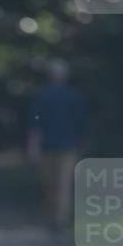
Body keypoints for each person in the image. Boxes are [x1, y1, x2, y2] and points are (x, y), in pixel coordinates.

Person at [27, 59, 88, 232]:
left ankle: (54, 216)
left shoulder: (41, 96)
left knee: (50, 183)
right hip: (69, 146)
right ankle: (60, 219)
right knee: (64, 184)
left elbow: (35, 124)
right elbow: (83, 124)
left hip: (48, 145)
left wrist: (33, 146)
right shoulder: (76, 96)